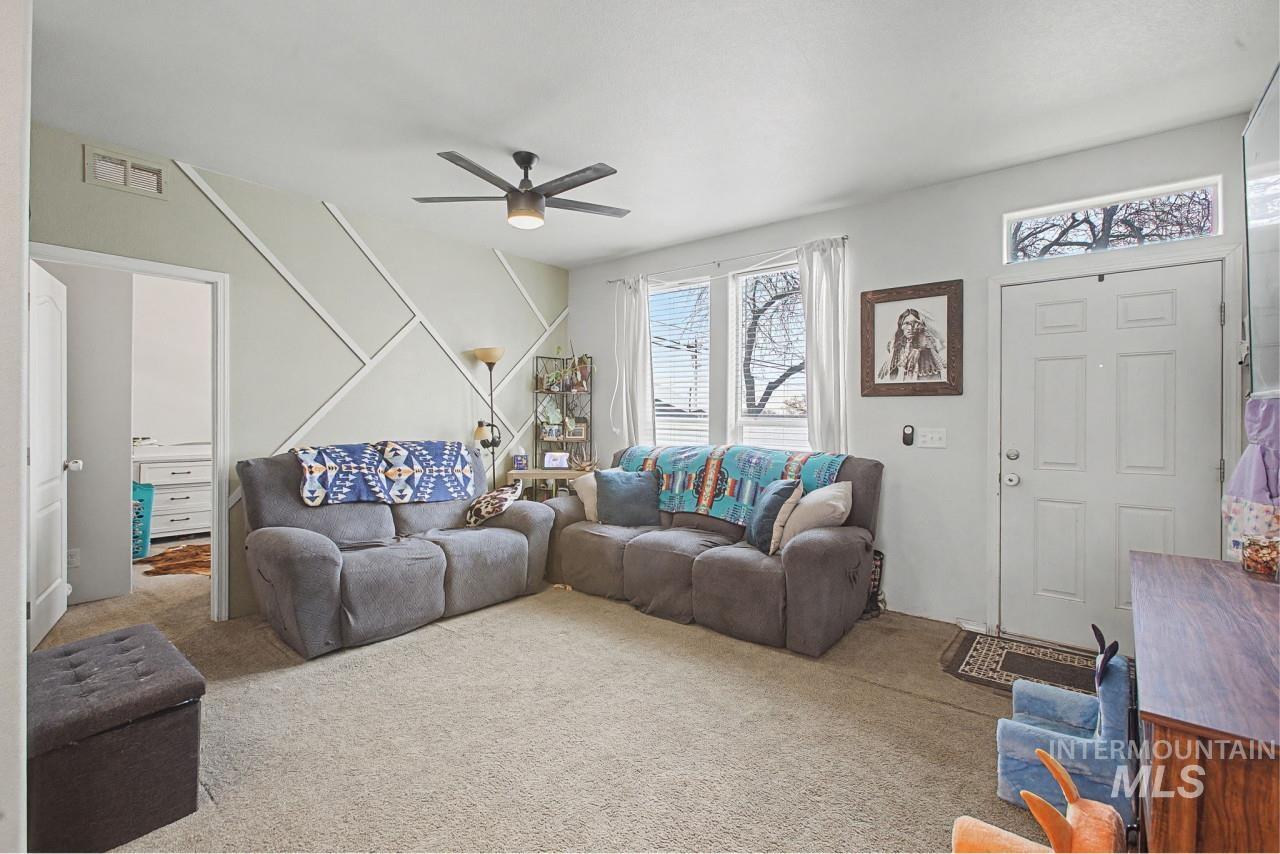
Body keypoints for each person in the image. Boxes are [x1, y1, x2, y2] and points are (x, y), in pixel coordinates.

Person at [878, 308, 944, 381]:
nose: (910, 328)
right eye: (906, 323)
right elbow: (892, 379)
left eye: (915, 323)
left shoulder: (927, 352)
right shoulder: (897, 348)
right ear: (901, 326)